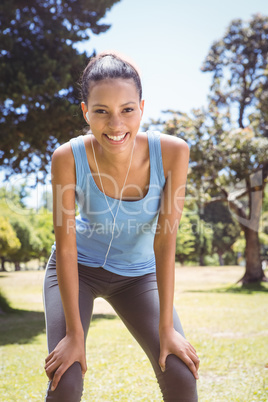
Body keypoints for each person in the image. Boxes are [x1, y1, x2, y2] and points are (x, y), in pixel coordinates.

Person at [43, 52, 199, 402]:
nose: (116, 125)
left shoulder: (173, 152)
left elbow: (165, 243)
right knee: (65, 379)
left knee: (179, 373)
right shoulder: (66, 158)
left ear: (141, 108)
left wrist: (167, 330)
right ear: (85, 112)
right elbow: (66, 246)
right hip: (78, 269)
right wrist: (74, 334)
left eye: (127, 110)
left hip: (138, 276)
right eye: (101, 111)